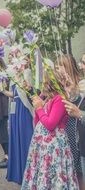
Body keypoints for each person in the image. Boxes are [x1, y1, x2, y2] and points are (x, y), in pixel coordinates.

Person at [22, 70, 79, 189]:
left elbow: (51, 124)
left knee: (54, 172)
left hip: (54, 145)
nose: (43, 84)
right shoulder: (48, 98)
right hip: (43, 145)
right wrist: (38, 107)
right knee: (43, 171)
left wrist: (39, 108)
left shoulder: (59, 99)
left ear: (49, 83)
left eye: (44, 81)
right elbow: (38, 122)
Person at [55, 54, 84, 188]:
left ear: (68, 66)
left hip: (77, 130)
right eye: (56, 67)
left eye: (60, 66)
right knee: (72, 169)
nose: (57, 69)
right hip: (68, 131)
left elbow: (76, 101)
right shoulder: (60, 85)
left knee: (79, 170)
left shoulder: (80, 84)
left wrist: (70, 91)